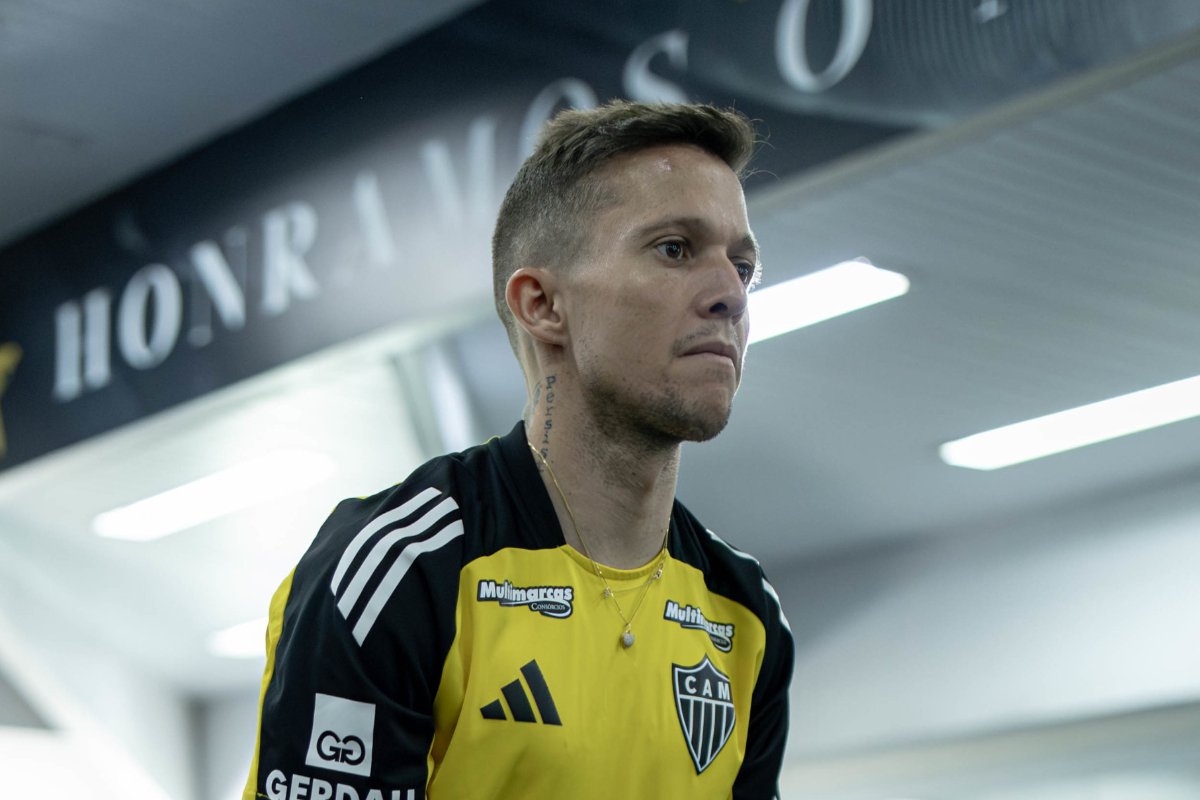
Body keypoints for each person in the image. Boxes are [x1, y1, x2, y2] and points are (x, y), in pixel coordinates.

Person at [242, 100, 794, 800]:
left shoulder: (744, 613)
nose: (729, 295)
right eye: (674, 250)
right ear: (542, 305)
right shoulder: (401, 572)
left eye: (743, 266)